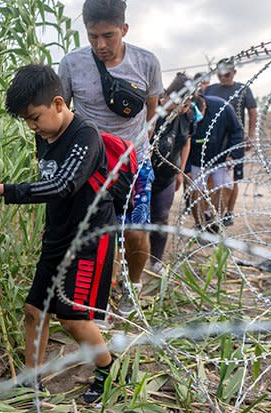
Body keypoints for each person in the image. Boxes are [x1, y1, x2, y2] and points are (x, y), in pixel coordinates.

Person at [0, 64, 116, 404]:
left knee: (71, 317)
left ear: (57, 103)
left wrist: (2, 190)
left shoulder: (86, 137)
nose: (32, 127)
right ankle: (31, 381)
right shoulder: (45, 135)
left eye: (34, 117)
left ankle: (108, 372)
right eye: (26, 121)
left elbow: (61, 185)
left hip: (88, 238)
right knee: (34, 310)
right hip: (57, 235)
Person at [58, 0, 163, 316]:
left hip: (135, 162)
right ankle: (97, 292)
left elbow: (151, 111)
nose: (100, 45)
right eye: (93, 37)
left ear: (124, 30)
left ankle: (132, 286)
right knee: (97, 234)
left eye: (108, 36)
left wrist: (133, 146)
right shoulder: (72, 64)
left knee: (134, 231)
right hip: (91, 165)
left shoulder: (146, 63)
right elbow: (63, 111)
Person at [149, 73, 195, 273]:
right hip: (145, 175)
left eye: (187, 104)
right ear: (168, 96)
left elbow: (186, 142)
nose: (184, 108)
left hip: (167, 176)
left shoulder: (186, 116)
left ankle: (155, 260)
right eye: (181, 103)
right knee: (136, 219)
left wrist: (180, 171)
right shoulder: (152, 112)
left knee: (161, 217)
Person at [204, 58, 257, 226]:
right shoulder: (210, 89)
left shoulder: (243, 89)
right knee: (210, 177)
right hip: (213, 139)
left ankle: (229, 212)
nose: (223, 77)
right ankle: (209, 210)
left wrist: (250, 134)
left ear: (234, 72)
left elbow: (253, 111)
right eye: (220, 74)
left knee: (232, 178)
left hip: (234, 138)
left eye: (227, 74)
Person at [186, 93, 244, 232]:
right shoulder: (185, 111)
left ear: (204, 105)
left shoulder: (222, 107)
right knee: (196, 192)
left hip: (221, 157)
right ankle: (200, 226)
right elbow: (182, 142)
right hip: (195, 158)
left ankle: (214, 223)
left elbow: (237, 132)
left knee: (223, 189)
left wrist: (232, 155)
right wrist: (186, 167)